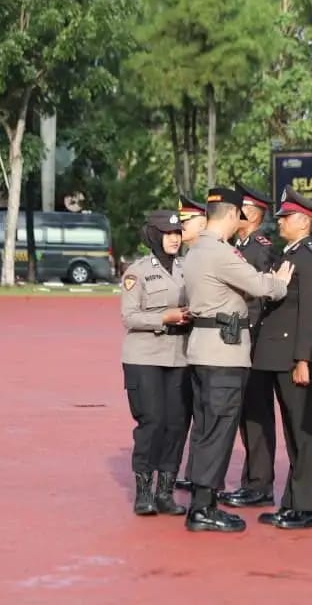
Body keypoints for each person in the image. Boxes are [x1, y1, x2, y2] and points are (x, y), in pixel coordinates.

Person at [182, 187, 292, 533]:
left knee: (205, 427)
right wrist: (280, 282)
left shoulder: (196, 249)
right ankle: (203, 508)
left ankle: (202, 501)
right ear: (231, 215)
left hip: (202, 348)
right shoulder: (221, 252)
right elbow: (262, 287)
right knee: (219, 430)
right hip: (223, 353)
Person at [253, 186, 312, 531]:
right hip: (279, 354)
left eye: (286, 217)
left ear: (303, 221)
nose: (280, 222)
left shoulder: (309, 257)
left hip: (294, 357)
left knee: (304, 430)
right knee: (293, 432)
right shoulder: (291, 254)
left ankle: (308, 506)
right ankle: (294, 501)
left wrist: (303, 360)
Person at [119, 210, 190, 517]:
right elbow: (129, 317)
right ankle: (144, 492)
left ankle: (165, 493)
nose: (174, 239)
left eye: (177, 233)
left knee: (176, 424)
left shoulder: (188, 268)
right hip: (144, 356)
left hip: (180, 355)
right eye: (167, 233)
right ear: (154, 236)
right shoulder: (137, 272)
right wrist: (164, 317)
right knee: (153, 421)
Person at [220, 181, 280, 510]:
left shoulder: (261, 248)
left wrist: (249, 336)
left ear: (254, 215)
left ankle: (260, 484)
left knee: (257, 415)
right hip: (239, 340)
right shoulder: (238, 246)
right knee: (246, 414)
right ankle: (252, 480)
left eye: (240, 209)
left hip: (254, 342)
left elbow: (262, 299)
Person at [173, 195, 206, 494]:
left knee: (206, 415)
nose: (181, 228)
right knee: (186, 412)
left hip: (208, 344)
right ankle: (191, 472)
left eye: (187, 222)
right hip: (183, 346)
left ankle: (203, 477)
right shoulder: (183, 259)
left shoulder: (214, 254)